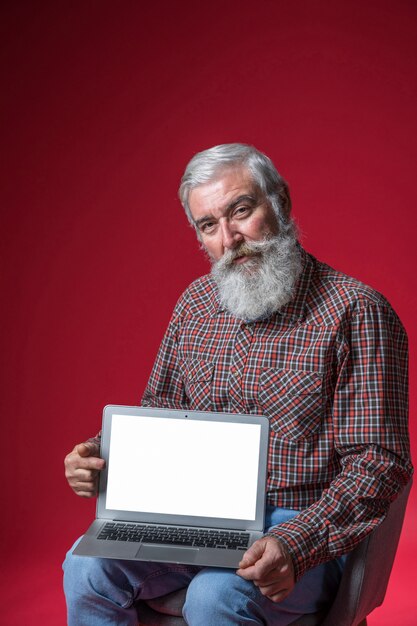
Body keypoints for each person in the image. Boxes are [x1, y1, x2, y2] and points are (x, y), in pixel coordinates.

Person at [63, 143, 412, 626]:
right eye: (209, 225)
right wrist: (100, 454)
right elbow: (161, 412)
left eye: (241, 211)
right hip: (197, 520)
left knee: (215, 596)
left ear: (281, 202)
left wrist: (296, 542)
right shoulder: (195, 306)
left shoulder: (357, 312)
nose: (229, 239)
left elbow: (379, 464)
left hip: (299, 525)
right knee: (85, 567)